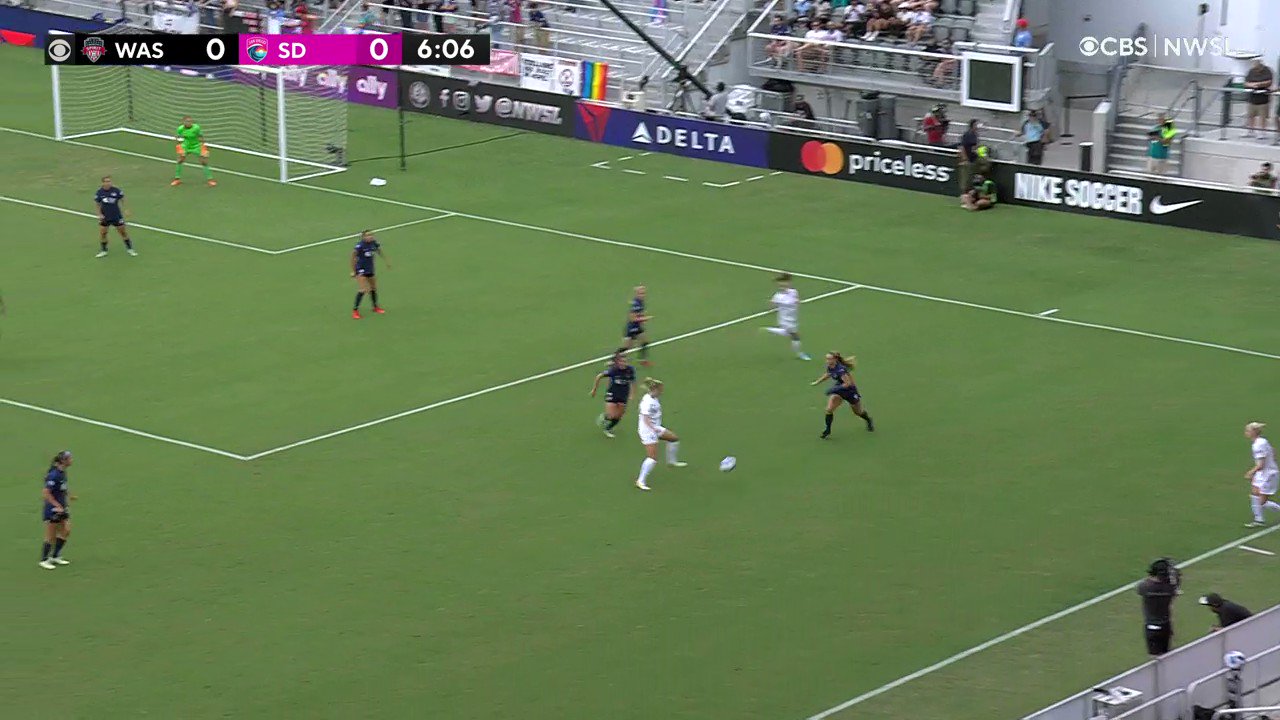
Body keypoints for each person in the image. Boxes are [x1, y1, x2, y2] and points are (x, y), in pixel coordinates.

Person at [634, 378, 686, 491]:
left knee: (674, 439)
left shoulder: (654, 397)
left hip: (655, 428)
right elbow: (645, 418)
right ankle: (640, 481)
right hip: (648, 431)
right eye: (660, 389)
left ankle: (671, 462)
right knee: (652, 458)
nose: (662, 391)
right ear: (654, 389)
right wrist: (653, 429)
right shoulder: (647, 402)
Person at [811, 351, 874, 438]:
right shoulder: (830, 366)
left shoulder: (841, 370)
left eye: (829, 359)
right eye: (826, 359)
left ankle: (868, 420)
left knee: (858, 412)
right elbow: (828, 374)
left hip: (850, 391)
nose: (827, 361)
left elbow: (847, 383)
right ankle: (827, 430)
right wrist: (817, 382)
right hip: (839, 391)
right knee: (829, 409)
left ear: (835, 359)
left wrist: (834, 389)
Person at [39, 450, 77, 570]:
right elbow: (46, 493)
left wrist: (69, 495)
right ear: (63, 461)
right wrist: (57, 505)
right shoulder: (54, 475)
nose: (72, 460)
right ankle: (44, 559)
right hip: (53, 509)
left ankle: (55, 556)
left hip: (62, 507)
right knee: (51, 535)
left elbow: (63, 487)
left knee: (66, 530)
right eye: (69, 458)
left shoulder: (62, 473)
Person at [1136, 558, 1180, 657]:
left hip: (1151, 625)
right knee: (1166, 656)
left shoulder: (1145, 587)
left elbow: (1141, 587)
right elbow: (1176, 585)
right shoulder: (1169, 588)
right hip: (1165, 624)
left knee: (1154, 659)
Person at [763, 273, 810, 360]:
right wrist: (772, 306)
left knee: (789, 334)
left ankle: (769, 330)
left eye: (785, 284)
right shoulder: (777, 296)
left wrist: (796, 302)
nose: (784, 286)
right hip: (785, 319)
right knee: (795, 336)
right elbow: (771, 305)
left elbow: (797, 301)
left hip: (793, 318)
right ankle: (800, 354)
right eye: (781, 285)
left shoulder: (793, 292)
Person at [590, 351, 636, 438]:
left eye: (625, 361)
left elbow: (633, 382)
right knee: (611, 415)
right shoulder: (614, 370)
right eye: (621, 361)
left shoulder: (630, 370)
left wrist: (632, 394)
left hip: (623, 395)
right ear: (618, 362)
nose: (623, 363)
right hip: (612, 393)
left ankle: (609, 427)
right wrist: (594, 390)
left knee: (619, 415)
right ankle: (605, 418)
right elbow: (599, 376)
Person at [1243, 421, 1280, 527]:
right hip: (1264, 473)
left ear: (1254, 432)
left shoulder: (1258, 445)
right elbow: (1273, 451)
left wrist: (1250, 472)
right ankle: (1259, 519)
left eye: (1248, 431)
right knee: (1254, 493)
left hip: (1268, 474)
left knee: (1261, 502)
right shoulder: (1262, 441)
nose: (1246, 433)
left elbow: (1261, 464)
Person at [350, 229, 389, 319]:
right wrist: (353, 271)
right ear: (363, 237)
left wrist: (386, 260)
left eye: (371, 235)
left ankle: (375, 307)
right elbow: (352, 257)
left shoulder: (373, 243)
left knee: (373, 288)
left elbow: (379, 250)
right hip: (361, 270)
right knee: (363, 290)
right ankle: (355, 310)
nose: (370, 237)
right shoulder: (359, 246)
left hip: (370, 269)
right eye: (368, 235)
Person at [94, 175, 136, 258]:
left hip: (116, 215)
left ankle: (130, 249)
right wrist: (99, 214)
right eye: (106, 181)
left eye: (109, 181)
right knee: (103, 233)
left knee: (123, 232)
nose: (108, 183)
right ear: (103, 183)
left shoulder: (116, 191)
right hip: (105, 217)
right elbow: (97, 204)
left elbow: (123, 199)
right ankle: (104, 250)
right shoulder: (99, 192)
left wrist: (126, 209)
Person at [172, 116, 216, 187]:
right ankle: (177, 179)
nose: (189, 123)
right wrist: (179, 146)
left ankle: (210, 180)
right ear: (183, 122)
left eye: (190, 121)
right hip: (186, 145)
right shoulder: (180, 129)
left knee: (204, 161)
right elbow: (177, 137)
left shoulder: (196, 128)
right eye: (187, 121)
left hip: (196, 145)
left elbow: (201, 137)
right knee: (180, 160)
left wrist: (203, 147)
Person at [620, 285, 652, 366]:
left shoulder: (641, 302)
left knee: (644, 342)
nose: (643, 295)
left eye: (644, 293)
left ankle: (642, 360)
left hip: (638, 326)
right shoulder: (636, 304)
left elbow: (640, 313)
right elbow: (632, 319)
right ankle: (614, 360)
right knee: (626, 347)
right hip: (632, 328)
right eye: (641, 293)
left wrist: (642, 317)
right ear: (637, 294)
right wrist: (645, 318)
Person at [1242, 58, 1273, 138]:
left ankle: (1262, 132)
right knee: (1250, 115)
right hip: (1252, 98)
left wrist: (1258, 84)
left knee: (1262, 116)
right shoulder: (1251, 71)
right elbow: (1245, 83)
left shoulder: (1267, 71)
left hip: (1263, 98)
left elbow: (1269, 82)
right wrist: (1251, 85)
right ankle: (1250, 131)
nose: (1255, 67)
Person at [957, 119, 979, 199]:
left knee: (970, 178)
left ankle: (969, 196)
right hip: (968, 159)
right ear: (972, 125)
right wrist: (965, 158)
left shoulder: (975, 135)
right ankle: (963, 196)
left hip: (973, 160)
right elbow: (962, 147)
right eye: (976, 125)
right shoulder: (967, 134)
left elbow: (974, 147)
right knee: (965, 179)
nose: (977, 127)